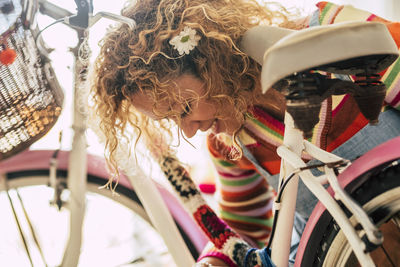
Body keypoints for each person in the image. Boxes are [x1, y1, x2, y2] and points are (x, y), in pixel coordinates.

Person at [90, 0, 400, 266]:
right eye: (170, 120)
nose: (188, 130)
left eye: (183, 108)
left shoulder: (332, 28)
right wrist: (215, 259)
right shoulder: (230, 142)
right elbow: (246, 225)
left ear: (212, 64)